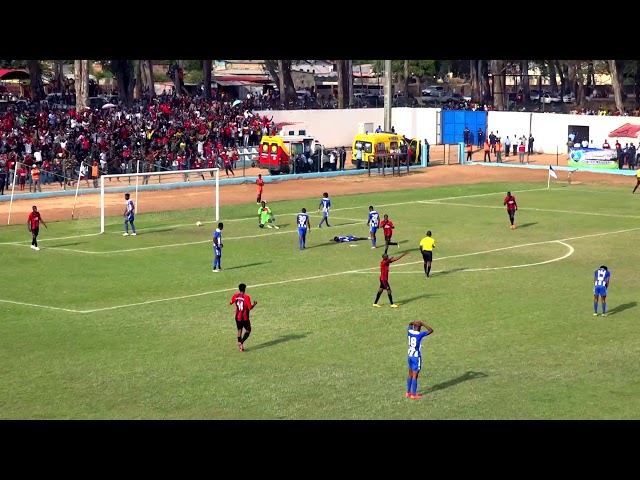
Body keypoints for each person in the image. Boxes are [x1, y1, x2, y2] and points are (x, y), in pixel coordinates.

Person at [406, 320, 434, 399]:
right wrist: (423, 324)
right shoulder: (420, 334)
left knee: (410, 373)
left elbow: (409, 324)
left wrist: (413, 322)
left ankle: (408, 392)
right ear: (419, 327)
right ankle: (414, 394)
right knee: (415, 375)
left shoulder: (409, 332)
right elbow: (431, 330)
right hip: (416, 357)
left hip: (410, 355)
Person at [230, 283, 257, 352]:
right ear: (245, 289)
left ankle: (240, 346)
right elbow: (250, 307)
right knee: (248, 330)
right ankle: (241, 342)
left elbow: (230, 302)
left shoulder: (235, 296)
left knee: (239, 330)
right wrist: (254, 304)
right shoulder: (246, 297)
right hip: (245, 318)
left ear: (239, 289)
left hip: (237, 317)